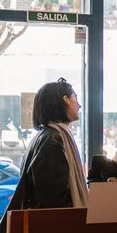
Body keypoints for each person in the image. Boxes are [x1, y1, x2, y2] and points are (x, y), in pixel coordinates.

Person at [18, 78, 88, 209]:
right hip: (53, 225)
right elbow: (54, 198)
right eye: (76, 98)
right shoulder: (52, 140)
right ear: (66, 100)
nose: (79, 105)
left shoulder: (45, 136)